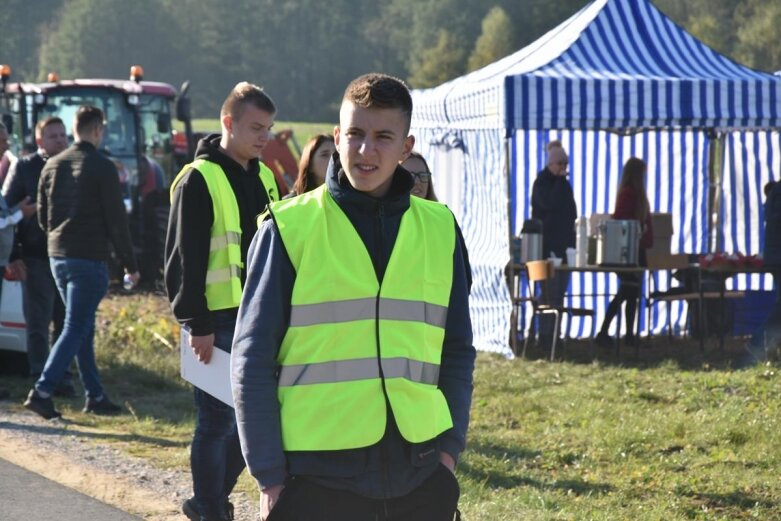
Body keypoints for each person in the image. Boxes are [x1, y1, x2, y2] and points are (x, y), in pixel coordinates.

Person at [232, 73, 476, 521]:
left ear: (406, 147)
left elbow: (457, 350)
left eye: (384, 137)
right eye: (356, 135)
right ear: (337, 136)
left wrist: (449, 453)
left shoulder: (441, 229)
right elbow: (251, 361)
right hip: (315, 480)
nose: (366, 151)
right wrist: (269, 476)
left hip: (420, 474)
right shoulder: (287, 229)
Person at [165, 82, 281, 521]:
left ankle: (210, 501)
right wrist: (197, 323)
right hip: (218, 320)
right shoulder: (198, 178)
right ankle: (211, 506)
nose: (263, 137)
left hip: (261, 316)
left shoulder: (266, 176)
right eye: (255, 127)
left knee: (249, 420)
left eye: (268, 129)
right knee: (218, 421)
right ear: (228, 123)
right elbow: (184, 258)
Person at [23, 105, 139, 420]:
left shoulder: (52, 165)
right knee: (75, 326)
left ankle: (95, 394)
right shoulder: (102, 167)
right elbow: (117, 220)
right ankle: (42, 390)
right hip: (89, 258)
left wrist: (60, 239)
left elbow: (45, 218)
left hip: (57, 256)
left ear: (75, 128)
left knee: (82, 326)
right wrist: (130, 263)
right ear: (98, 130)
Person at [3, 117, 72, 391]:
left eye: (63, 135)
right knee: (38, 322)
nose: (60, 140)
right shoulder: (25, 167)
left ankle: (62, 375)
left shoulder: (73, 165)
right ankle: (39, 375)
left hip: (67, 256)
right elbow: (8, 211)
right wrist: (13, 254)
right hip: (35, 256)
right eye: (53, 136)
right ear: (40, 140)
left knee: (66, 320)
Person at [595, 157, 653, 347]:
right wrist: (638, 230)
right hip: (629, 252)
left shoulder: (633, 194)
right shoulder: (630, 194)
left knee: (630, 294)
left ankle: (625, 333)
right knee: (627, 293)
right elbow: (621, 221)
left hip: (635, 250)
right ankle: (610, 332)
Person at [530, 140, 577, 347]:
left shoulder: (565, 185)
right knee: (547, 295)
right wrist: (558, 182)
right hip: (545, 249)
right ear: (551, 164)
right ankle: (542, 336)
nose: (563, 169)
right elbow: (548, 204)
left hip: (564, 248)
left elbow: (571, 212)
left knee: (559, 295)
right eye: (560, 165)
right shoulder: (541, 183)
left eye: (565, 165)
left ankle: (554, 337)